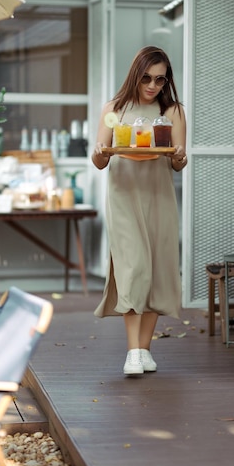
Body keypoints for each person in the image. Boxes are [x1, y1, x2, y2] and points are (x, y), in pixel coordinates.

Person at [92, 46, 187, 376]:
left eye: (160, 80)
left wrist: (179, 156)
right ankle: (133, 351)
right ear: (136, 74)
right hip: (123, 198)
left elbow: (178, 161)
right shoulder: (114, 109)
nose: (152, 85)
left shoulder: (172, 111)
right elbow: (100, 160)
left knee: (156, 271)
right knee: (133, 269)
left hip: (158, 198)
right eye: (147, 78)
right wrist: (101, 151)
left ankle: (144, 349)